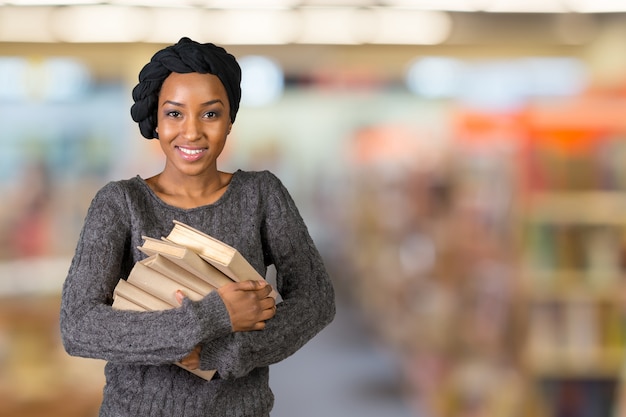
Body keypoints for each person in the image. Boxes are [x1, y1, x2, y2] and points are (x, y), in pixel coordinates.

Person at [60, 37, 336, 417]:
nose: (191, 132)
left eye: (210, 114)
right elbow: (78, 326)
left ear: (229, 120)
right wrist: (213, 317)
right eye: (174, 114)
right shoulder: (120, 203)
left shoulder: (262, 195)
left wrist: (224, 352)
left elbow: (316, 300)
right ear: (155, 119)